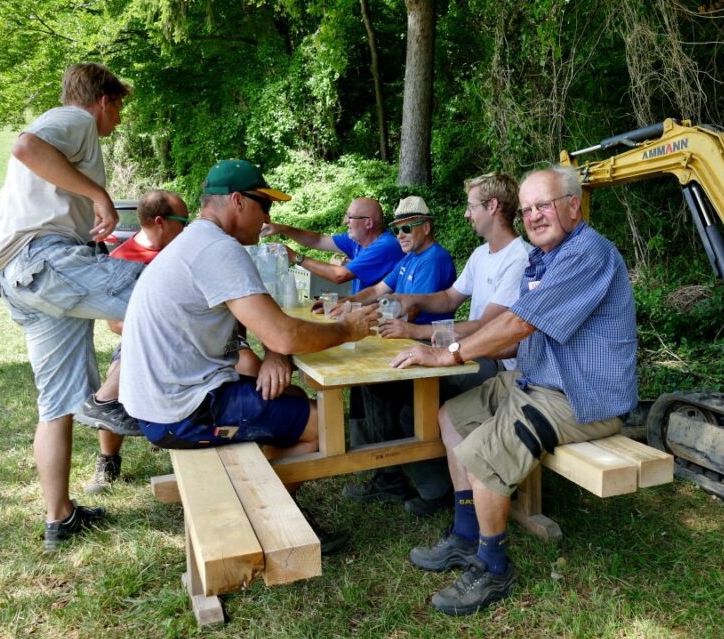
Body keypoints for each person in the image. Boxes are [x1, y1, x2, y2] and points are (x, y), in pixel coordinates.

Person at [391, 165, 638, 615]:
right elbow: (510, 328)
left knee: (483, 452)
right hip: (537, 381)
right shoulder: (548, 256)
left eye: (544, 205)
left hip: (582, 397)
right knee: (451, 416)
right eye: (526, 209)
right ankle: (467, 536)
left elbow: (518, 322)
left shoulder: (588, 253)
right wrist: (447, 345)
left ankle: (493, 566)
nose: (534, 216)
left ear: (572, 205)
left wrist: (449, 353)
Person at [119, 159, 378, 554]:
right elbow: (284, 331)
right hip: (182, 410)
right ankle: (268, 516)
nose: (268, 218)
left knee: (288, 400)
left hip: (165, 399)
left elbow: (266, 322)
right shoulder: (218, 249)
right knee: (322, 423)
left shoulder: (198, 241)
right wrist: (346, 330)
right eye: (263, 205)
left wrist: (276, 353)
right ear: (237, 201)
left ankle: (259, 494)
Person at [0, 62, 141, 551]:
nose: (116, 123)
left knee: (56, 405)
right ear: (104, 101)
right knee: (164, 289)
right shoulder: (74, 119)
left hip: (24, 281)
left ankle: (61, 519)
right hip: (45, 260)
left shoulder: (72, 132)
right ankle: (108, 402)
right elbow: (25, 146)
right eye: (118, 111)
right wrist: (99, 193)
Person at [347, 174, 530, 516]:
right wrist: (407, 298)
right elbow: (448, 298)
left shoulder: (519, 258)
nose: (466, 214)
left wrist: (414, 332)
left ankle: (434, 489)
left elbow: (488, 327)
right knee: (387, 389)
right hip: (470, 356)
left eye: (471, 206)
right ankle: (403, 475)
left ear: (492, 207)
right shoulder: (481, 254)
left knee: (407, 403)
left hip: (495, 364)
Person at [76, 190, 264, 494]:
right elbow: (116, 323)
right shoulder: (124, 258)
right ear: (161, 222)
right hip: (147, 340)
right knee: (122, 372)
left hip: (209, 338)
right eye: (183, 220)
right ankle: (108, 458)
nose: (189, 226)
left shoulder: (191, 249)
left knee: (251, 362)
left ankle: (248, 428)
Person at [261, 197, 403, 295]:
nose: (345, 221)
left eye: (350, 217)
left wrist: (295, 257)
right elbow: (317, 240)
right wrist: (283, 229)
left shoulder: (386, 246)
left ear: (368, 223)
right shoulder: (357, 239)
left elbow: (339, 276)